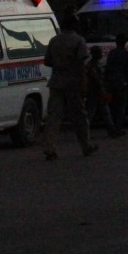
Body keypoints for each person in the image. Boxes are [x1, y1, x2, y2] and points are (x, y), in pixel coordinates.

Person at [43, 13, 97, 160]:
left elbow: (47, 61)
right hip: (73, 82)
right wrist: (83, 84)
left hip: (56, 81)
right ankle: (86, 145)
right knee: (79, 116)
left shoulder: (54, 40)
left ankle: (50, 148)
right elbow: (81, 65)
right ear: (75, 25)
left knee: (54, 117)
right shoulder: (79, 41)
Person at [85, 45, 123, 138]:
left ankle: (111, 130)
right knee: (92, 113)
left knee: (102, 112)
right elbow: (97, 80)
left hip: (96, 91)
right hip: (95, 92)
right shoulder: (93, 66)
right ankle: (85, 133)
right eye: (99, 52)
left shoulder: (94, 64)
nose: (102, 54)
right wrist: (102, 89)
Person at [103, 33, 128, 134]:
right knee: (121, 106)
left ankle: (112, 127)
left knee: (112, 106)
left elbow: (108, 68)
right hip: (121, 82)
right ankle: (118, 127)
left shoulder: (111, 53)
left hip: (111, 82)